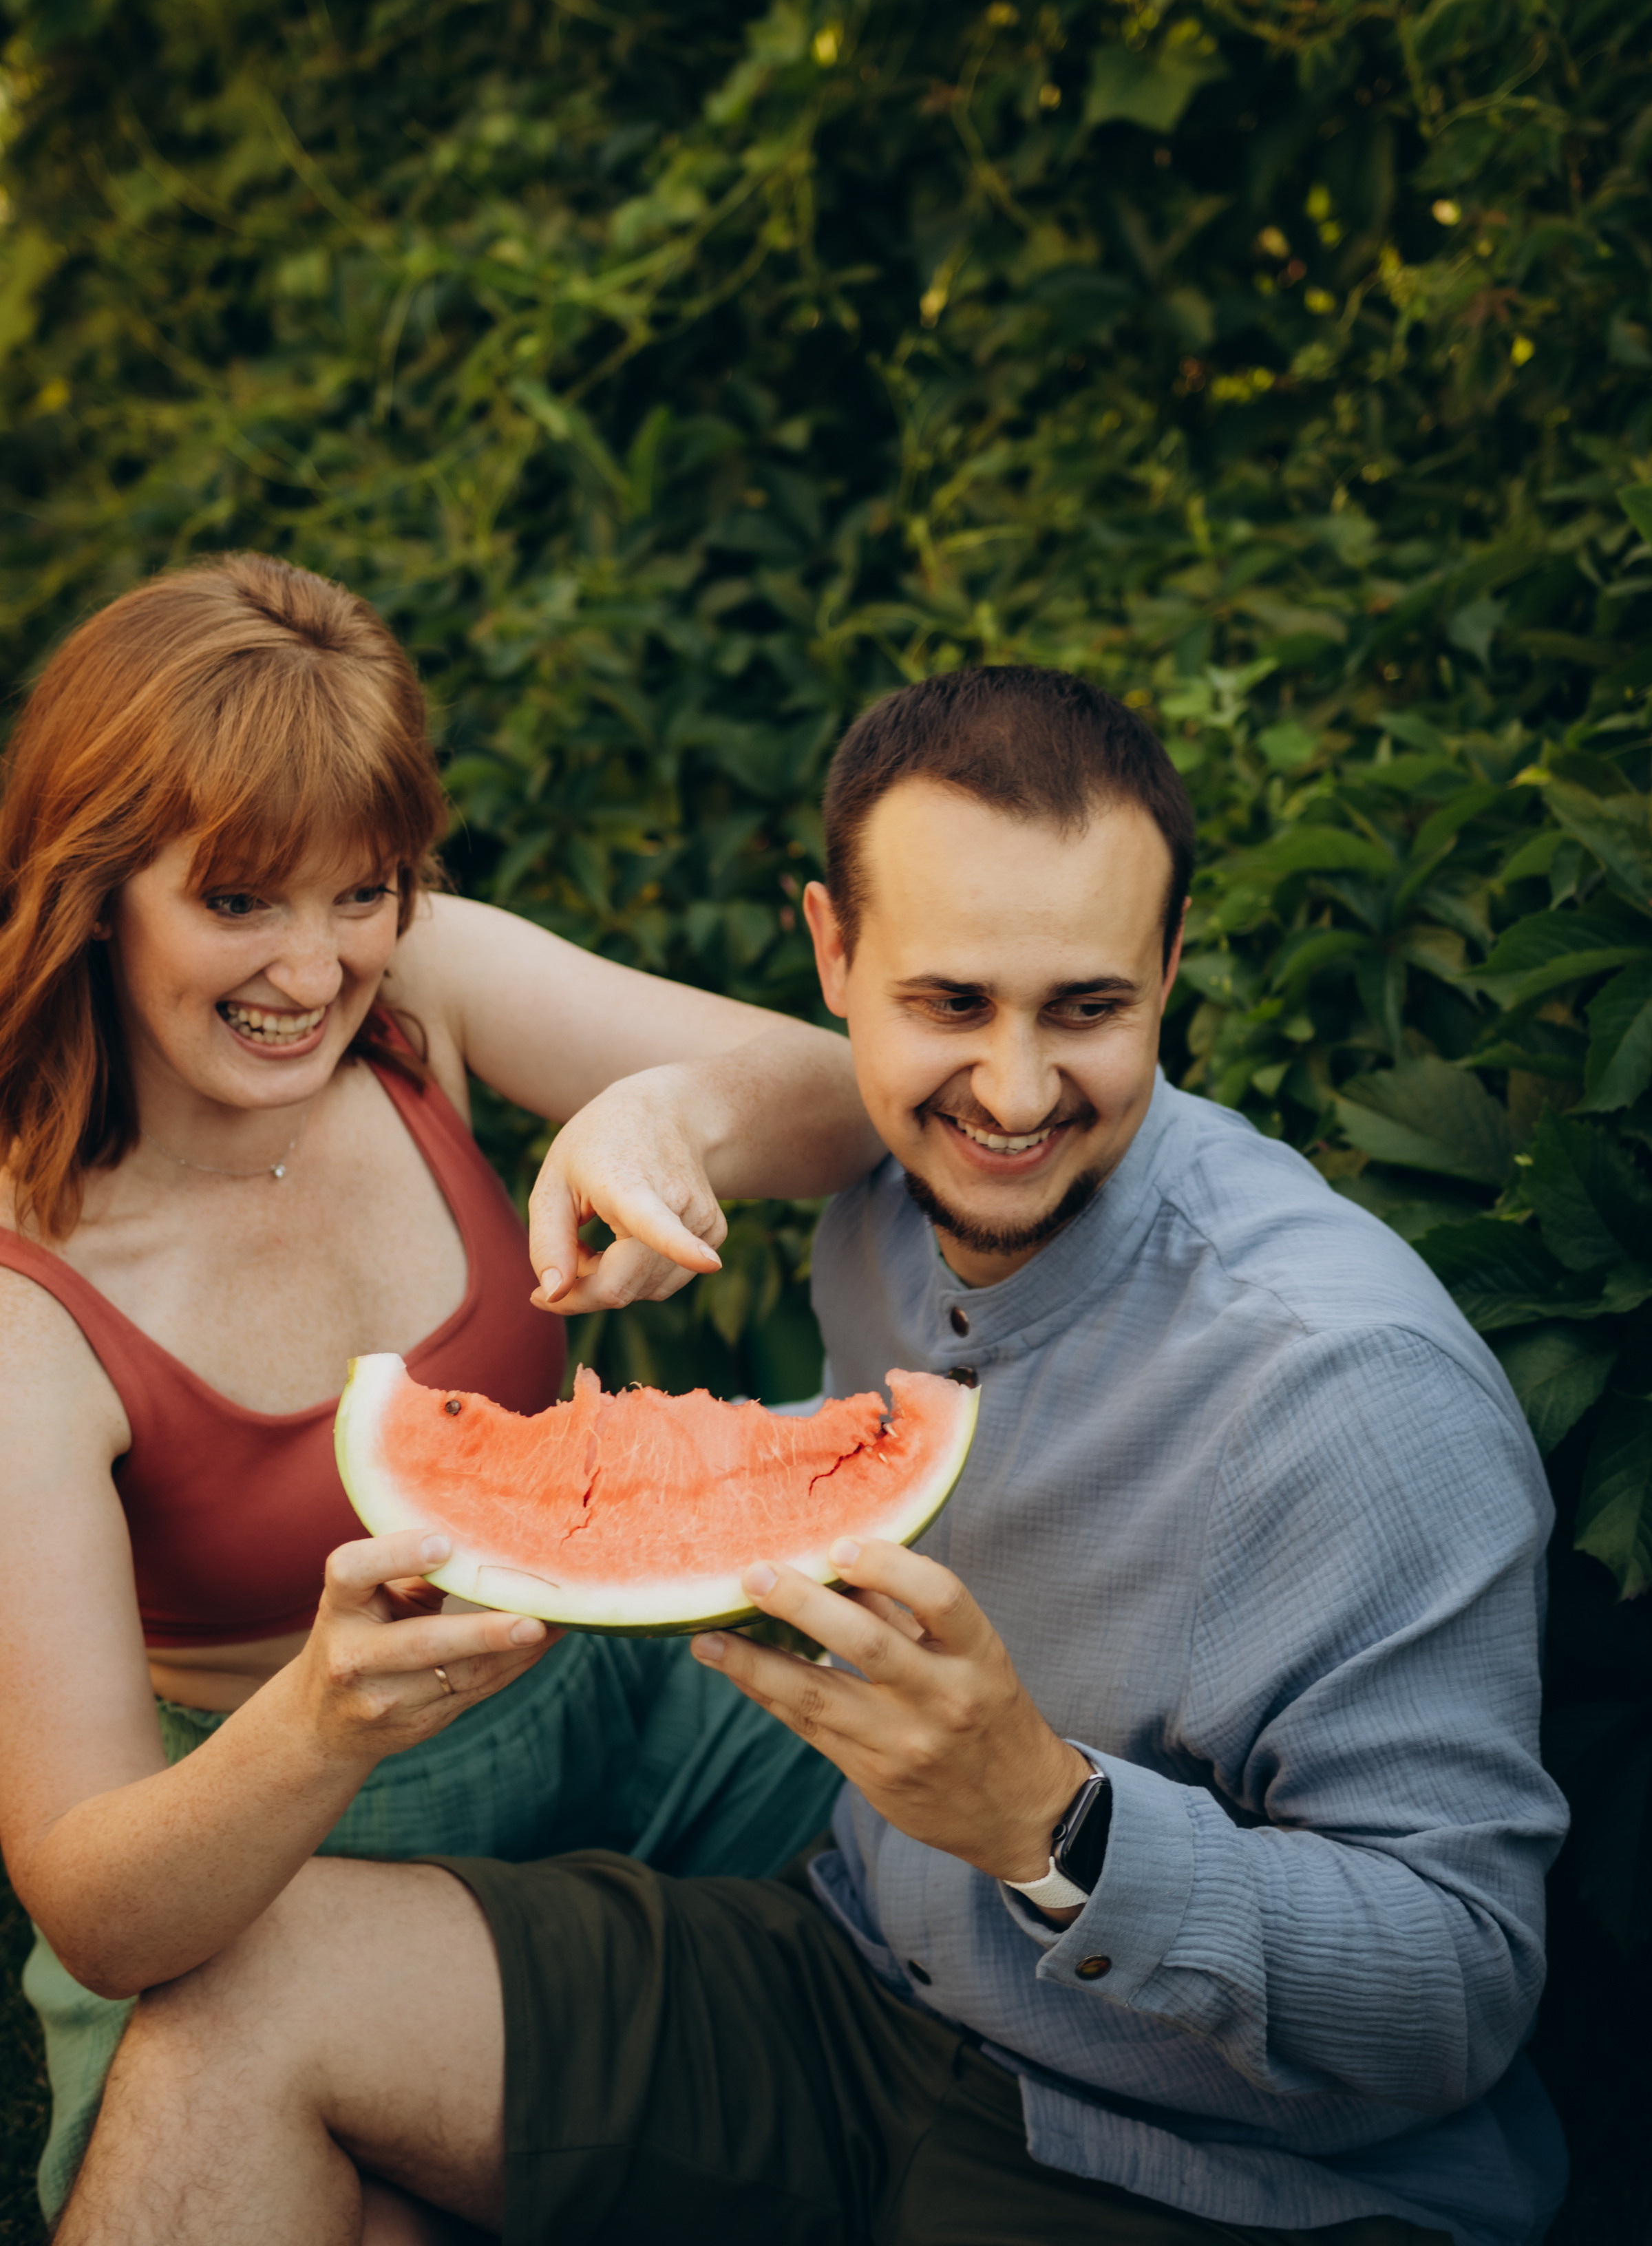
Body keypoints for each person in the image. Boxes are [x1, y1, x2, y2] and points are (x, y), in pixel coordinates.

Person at [51, 666, 1569, 2246]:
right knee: (235, 2011)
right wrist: (688, 1120)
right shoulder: (889, 1198)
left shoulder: (1347, 1392)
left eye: (1090, 1008)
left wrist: (1055, 1829)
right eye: (950, 1003)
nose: (1015, 1092)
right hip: (852, 1985)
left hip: (1201, 2161)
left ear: (1171, 966)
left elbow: (1464, 1988)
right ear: (835, 958)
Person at [0, 553, 878, 2241]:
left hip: (635, 1711)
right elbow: (98, 1899)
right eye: (238, 901)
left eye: (362, 891)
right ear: (100, 887)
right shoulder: (31, 1303)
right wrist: (324, 1716)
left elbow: (854, 1101)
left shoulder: (423, 994)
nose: (314, 970)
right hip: (283, 1853)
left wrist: (673, 1121)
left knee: (978, 1936)